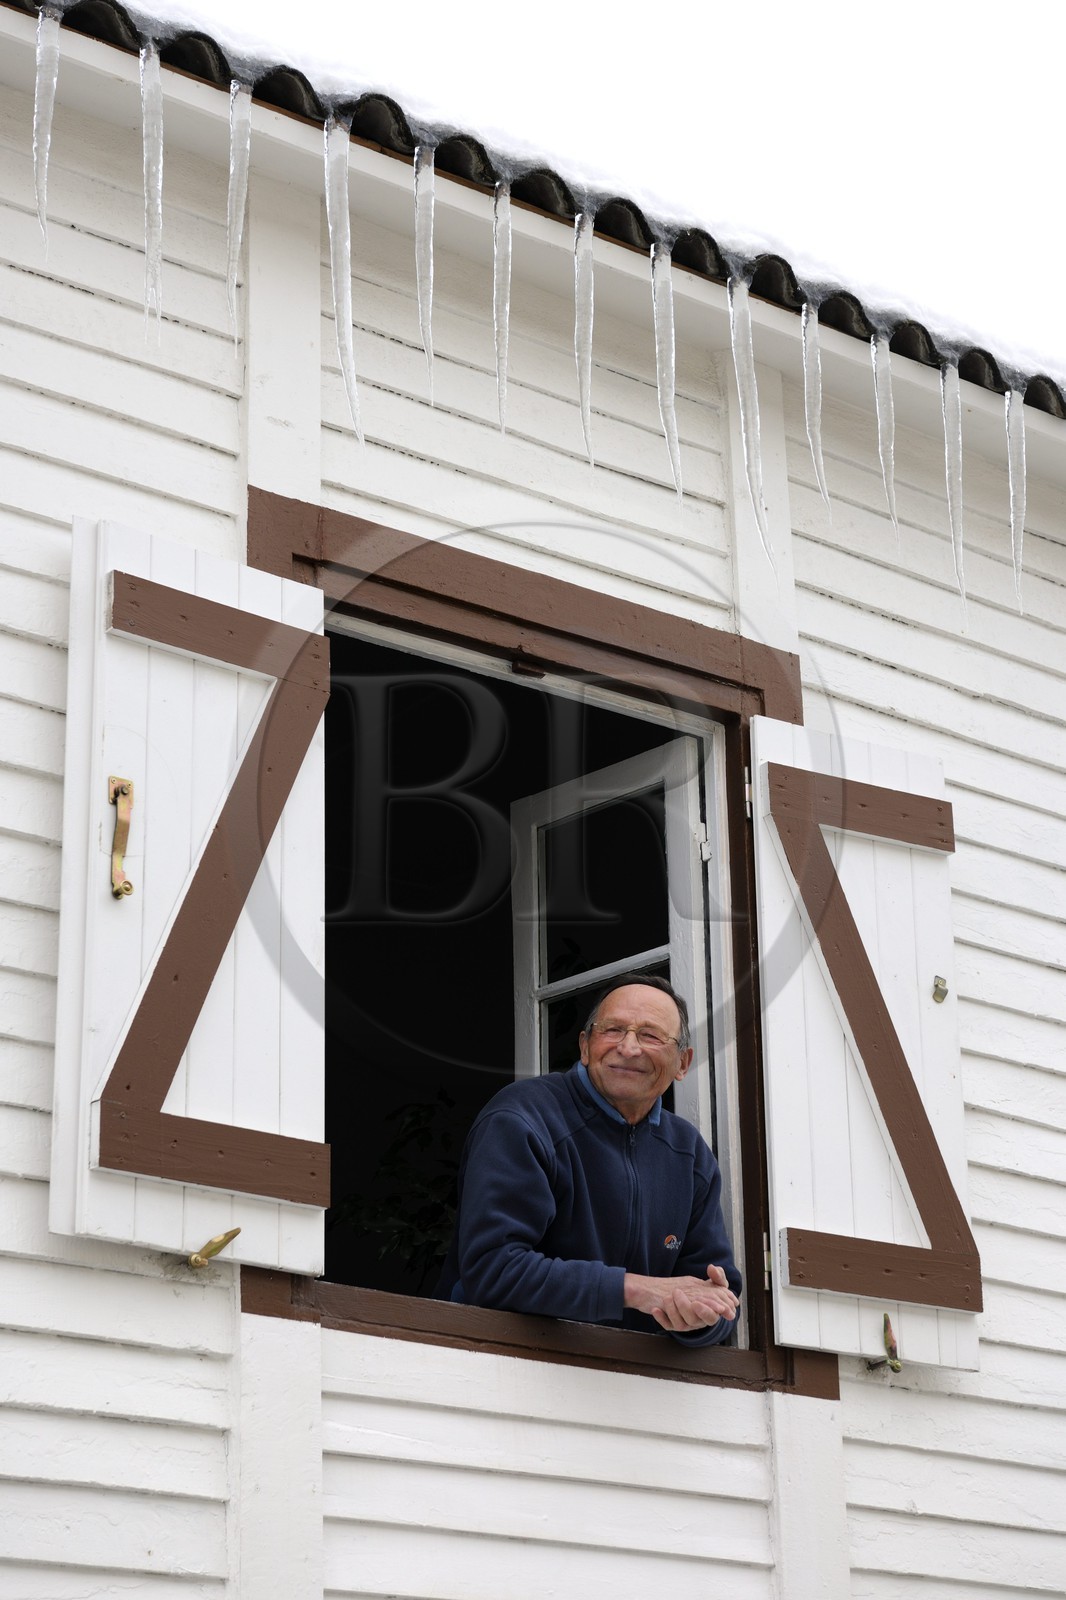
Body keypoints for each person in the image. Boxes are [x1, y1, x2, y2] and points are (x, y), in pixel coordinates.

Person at [437, 974, 741, 1345]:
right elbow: (493, 1270)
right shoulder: (522, 1118)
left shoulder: (688, 1152)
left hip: (634, 1390)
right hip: (497, 1369)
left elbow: (721, 1300)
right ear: (585, 1047)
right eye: (612, 1030)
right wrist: (636, 1290)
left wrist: (701, 1317)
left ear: (682, 1062)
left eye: (651, 1035)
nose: (628, 1048)